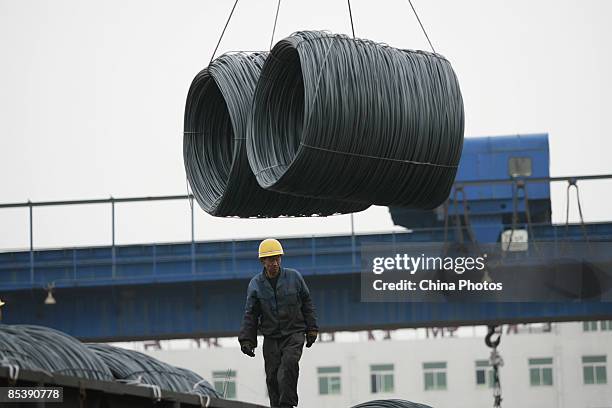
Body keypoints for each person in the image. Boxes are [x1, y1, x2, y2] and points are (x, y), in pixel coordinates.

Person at [239, 238, 318, 408]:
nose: (274, 263)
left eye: (277, 258)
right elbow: (251, 314)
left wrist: (311, 329)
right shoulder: (255, 285)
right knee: (272, 376)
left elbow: (307, 303)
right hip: (271, 338)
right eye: (270, 259)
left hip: (293, 334)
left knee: (288, 367)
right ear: (263, 261)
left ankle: (287, 405)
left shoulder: (294, 277)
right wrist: (247, 340)